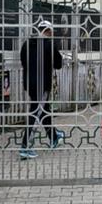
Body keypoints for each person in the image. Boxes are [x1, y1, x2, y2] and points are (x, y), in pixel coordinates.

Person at [20, 18, 63, 160]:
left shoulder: (26, 44)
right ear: (48, 31)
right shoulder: (49, 44)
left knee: (43, 110)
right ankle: (26, 146)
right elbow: (58, 64)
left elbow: (23, 61)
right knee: (36, 112)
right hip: (43, 84)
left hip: (30, 84)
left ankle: (53, 137)